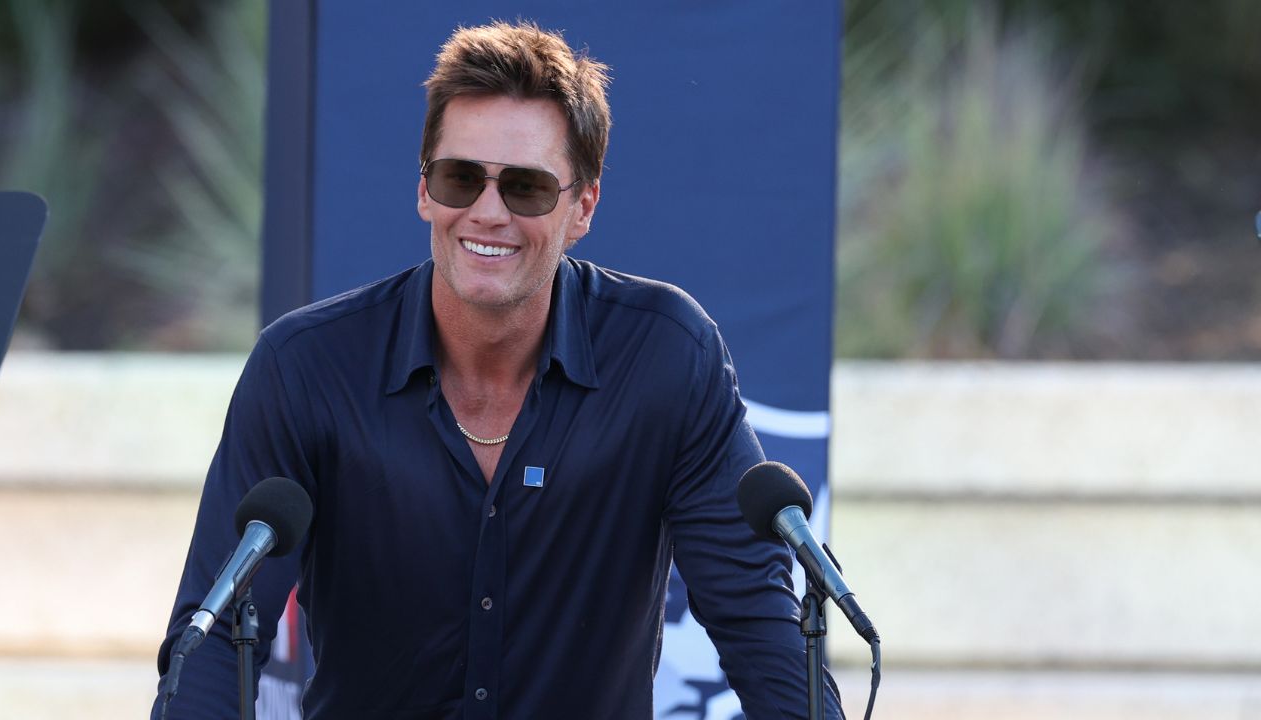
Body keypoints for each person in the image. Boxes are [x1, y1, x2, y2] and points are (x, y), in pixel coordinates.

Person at [153, 20, 843, 719]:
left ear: (584, 206)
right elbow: (211, 640)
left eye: (527, 188)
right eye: (460, 179)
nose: (487, 213)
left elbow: (760, 627)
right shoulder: (305, 367)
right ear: (424, 190)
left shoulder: (667, 358)